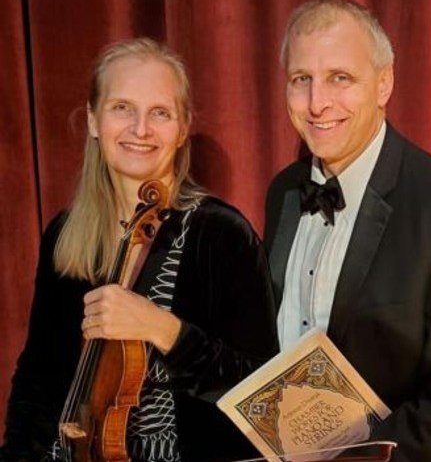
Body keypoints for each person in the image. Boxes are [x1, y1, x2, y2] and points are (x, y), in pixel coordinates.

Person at [1, 38, 278, 462]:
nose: (141, 129)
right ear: (94, 119)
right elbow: (38, 379)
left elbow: (262, 392)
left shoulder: (221, 234)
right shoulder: (66, 232)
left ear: (183, 127)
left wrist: (164, 329)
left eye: (160, 113)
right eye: (122, 108)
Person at [263, 0, 431, 461]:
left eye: (340, 78)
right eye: (301, 80)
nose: (317, 103)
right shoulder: (283, 193)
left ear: (384, 83)